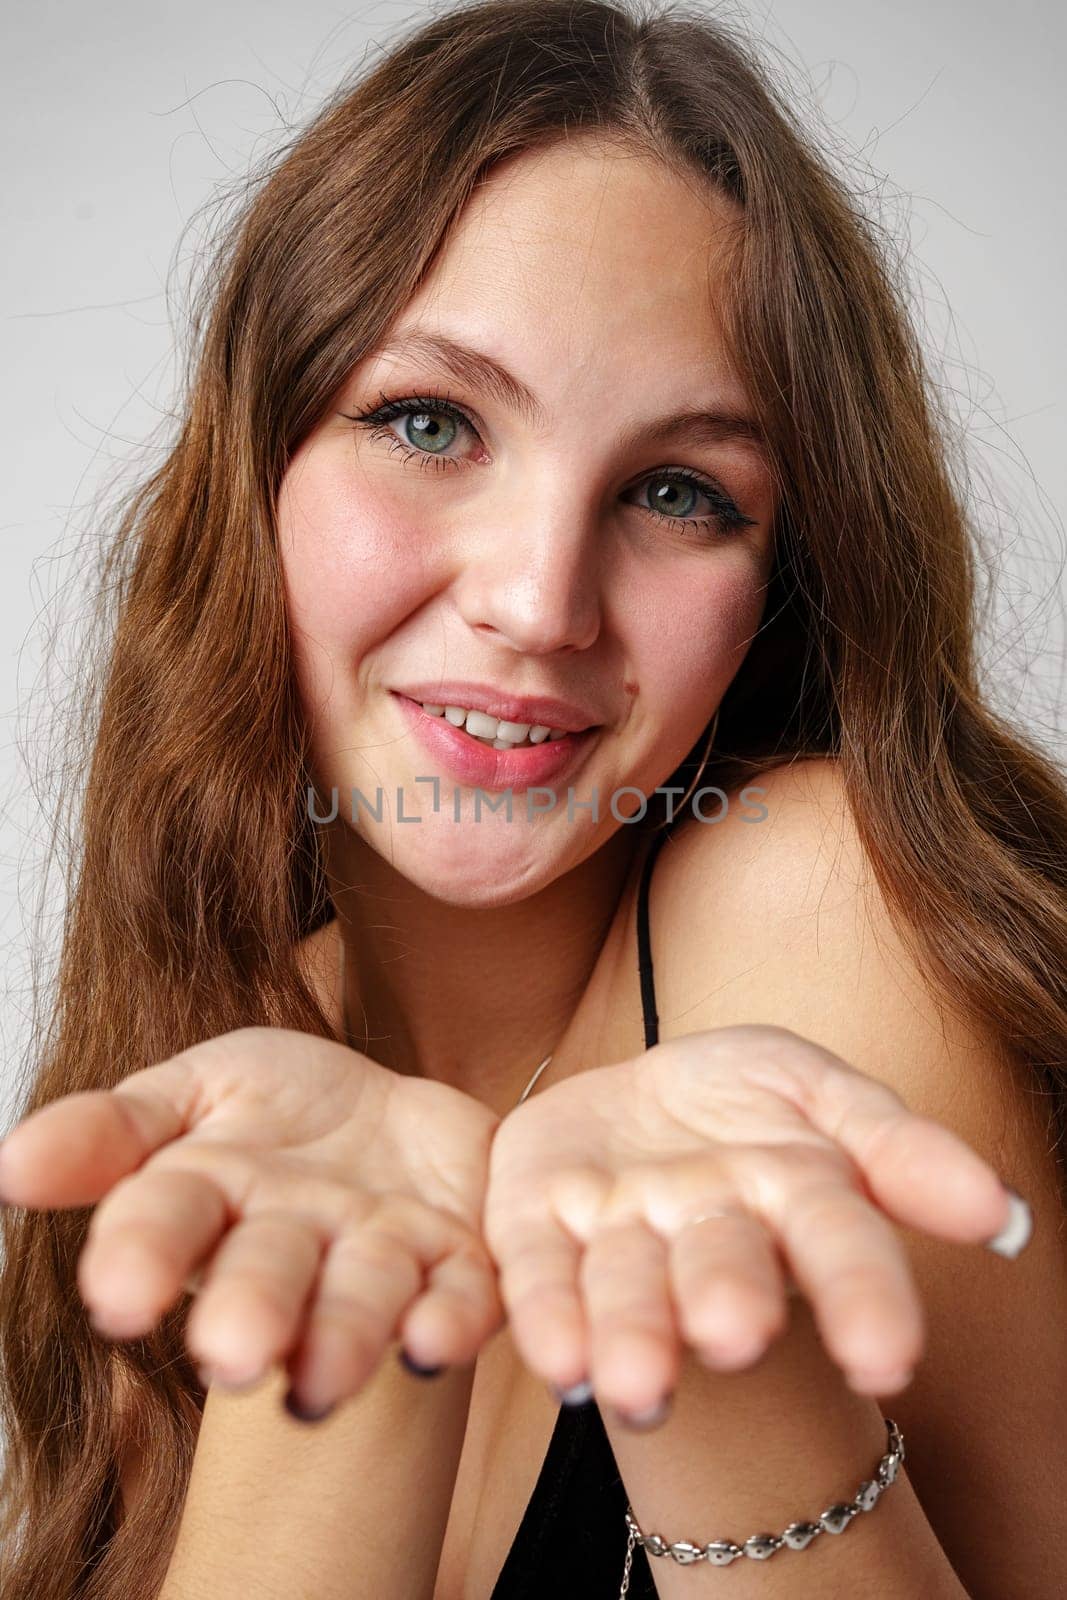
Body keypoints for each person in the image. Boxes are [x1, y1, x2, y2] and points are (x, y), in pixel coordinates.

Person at [1, 1, 1064, 1597]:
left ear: (781, 588)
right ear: (255, 469)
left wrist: (724, 1366)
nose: (538, 599)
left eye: (677, 491)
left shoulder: (806, 899)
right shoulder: (236, 1060)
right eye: (430, 424)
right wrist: (343, 1391)